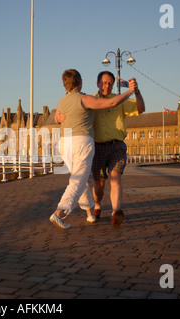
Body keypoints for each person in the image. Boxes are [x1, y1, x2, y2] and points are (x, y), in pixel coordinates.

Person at [50, 69, 136, 229]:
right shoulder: (84, 99)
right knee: (77, 181)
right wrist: (131, 91)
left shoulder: (62, 101)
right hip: (81, 142)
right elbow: (112, 103)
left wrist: (57, 118)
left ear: (65, 85)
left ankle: (90, 212)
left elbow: (56, 117)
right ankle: (59, 213)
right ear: (80, 82)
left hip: (64, 143)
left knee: (80, 180)